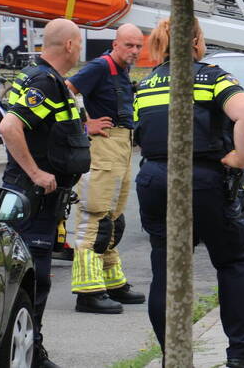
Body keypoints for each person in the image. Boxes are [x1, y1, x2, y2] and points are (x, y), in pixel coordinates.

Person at [134, 17, 244, 368]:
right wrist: (240, 157)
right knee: (233, 262)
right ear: (195, 42)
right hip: (203, 177)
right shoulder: (210, 76)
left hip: (153, 178)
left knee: (165, 267)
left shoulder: (146, 84)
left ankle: (172, 355)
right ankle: (241, 355)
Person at [0, 19, 91, 368]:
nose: (80, 49)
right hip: (33, 197)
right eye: (78, 43)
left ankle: (32, 349)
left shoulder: (47, 78)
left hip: (43, 199)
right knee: (34, 280)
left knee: (35, 278)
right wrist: (36, 172)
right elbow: (9, 126)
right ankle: (30, 354)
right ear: (68, 45)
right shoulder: (44, 81)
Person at [66, 23, 146, 313]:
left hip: (122, 145)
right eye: (129, 45)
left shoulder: (120, 71)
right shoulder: (100, 67)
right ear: (116, 44)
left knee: (113, 218)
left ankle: (111, 284)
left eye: (138, 46)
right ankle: (87, 293)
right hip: (104, 146)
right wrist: (85, 124)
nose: (135, 51)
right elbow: (65, 92)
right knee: (95, 217)